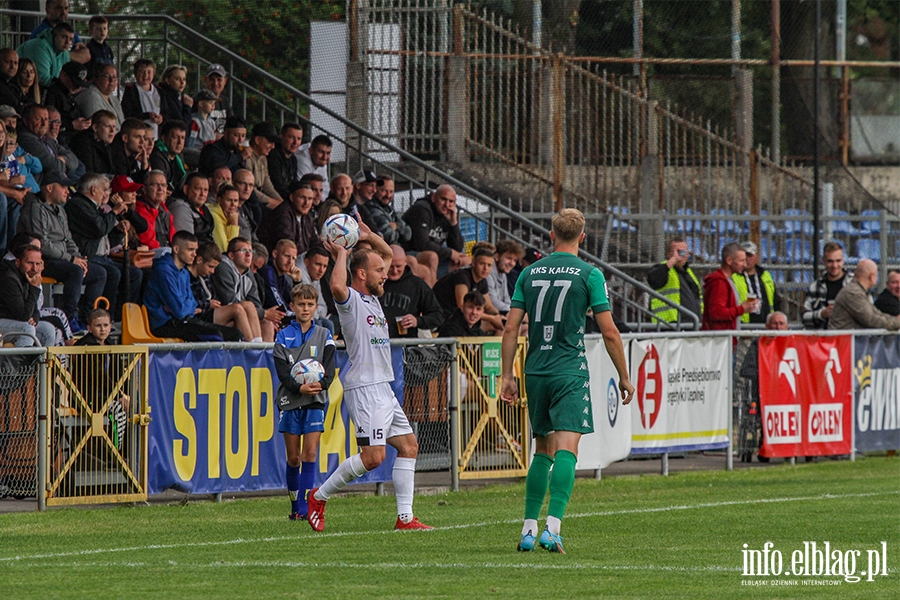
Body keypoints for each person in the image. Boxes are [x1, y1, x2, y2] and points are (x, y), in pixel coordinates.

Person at [499, 208, 634, 554]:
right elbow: (609, 332)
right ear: (583, 237)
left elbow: (511, 327)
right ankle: (553, 529)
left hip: (536, 370)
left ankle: (528, 530)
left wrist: (507, 375)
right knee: (567, 449)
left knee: (540, 449)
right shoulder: (589, 274)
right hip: (568, 370)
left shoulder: (528, 273)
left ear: (551, 235)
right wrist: (624, 376)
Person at [306, 220, 433, 533]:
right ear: (361, 274)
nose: (385, 274)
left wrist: (367, 236)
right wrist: (340, 253)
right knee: (373, 457)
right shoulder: (350, 301)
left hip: (383, 389)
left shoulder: (374, 298)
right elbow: (336, 287)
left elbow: (387, 253)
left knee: (408, 446)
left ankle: (405, 519)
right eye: (378, 271)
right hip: (365, 388)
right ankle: (318, 497)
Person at [273, 283, 336, 521]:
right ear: (292, 306)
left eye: (310, 304)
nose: (306, 308)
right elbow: (281, 371)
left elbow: (329, 371)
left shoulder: (324, 335)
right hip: (290, 399)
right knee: (293, 457)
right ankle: (294, 505)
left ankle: (306, 508)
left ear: (316, 307)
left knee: (310, 453)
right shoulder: (283, 336)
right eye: (301, 304)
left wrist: (320, 386)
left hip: (315, 400)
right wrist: (299, 386)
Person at [19, 170, 106, 330]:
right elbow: (41, 244)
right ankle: (69, 319)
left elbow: (69, 240)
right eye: (64, 187)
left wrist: (80, 259)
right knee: (75, 271)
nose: (68, 191)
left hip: (63, 259)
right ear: (49, 188)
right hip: (43, 260)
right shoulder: (35, 208)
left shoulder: (61, 211)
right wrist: (72, 260)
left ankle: (88, 318)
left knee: (100, 273)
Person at [65, 172, 141, 318]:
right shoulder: (78, 204)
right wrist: (115, 212)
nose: (107, 193)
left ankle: (122, 317)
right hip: (87, 256)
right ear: (94, 190)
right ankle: (97, 317)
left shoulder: (94, 207)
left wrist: (118, 230)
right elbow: (98, 229)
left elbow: (105, 240)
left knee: (134, 274)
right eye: (105, 189)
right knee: (111, 273)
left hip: (101, 257)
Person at [144, 230, 243, 342]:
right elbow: (180, 311)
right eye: (190, 250)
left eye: (195, 250)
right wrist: (186, 306)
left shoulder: (184, 272)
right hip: (164, 324)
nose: (194, 254)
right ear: (176, 249)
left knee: (236, 334)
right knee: (215, 336)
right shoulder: (163, 271)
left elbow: (192, 303)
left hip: (183, 320)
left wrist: (185, 306)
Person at [187, 241, 261, 342]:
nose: (212, 271)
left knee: (250, 306)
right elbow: (189, 303)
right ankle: (252, 351)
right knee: (237, 309)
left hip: (210, 312)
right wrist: (207, 304)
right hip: (199, 316)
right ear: (199, 260)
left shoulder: (205, 276)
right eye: (211, 267)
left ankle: (259, 347)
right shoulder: (186, 276)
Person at [212, 236, 280, 342]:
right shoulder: (223, 267)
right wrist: (265, 314)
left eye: (250, 251)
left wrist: (265, 316)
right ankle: (253, 352)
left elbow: (256, 303)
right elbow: (229, 302)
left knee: (267, 325)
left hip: (240, 315)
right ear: (231, 255)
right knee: (246, 307)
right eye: (243, 250)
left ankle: (264, 356)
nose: (248, 255)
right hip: (222, 315)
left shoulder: (249, 274)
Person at [432, 244, 505, 333]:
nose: (485, 268)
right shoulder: (462, 276)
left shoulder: (482, 281)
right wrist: (491, 318)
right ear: (473, 262)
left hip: (461, 320)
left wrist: (498, 316)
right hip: (444, 318)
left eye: (489, 265)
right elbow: (462, 307)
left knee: (502, 326)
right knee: (496, 326)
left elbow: (489, 306)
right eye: (482, 264)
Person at [401, 184, 470, 278]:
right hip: (409, 252)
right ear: (433, 197)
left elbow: (457, 248)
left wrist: (453, 223)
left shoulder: (448, 214)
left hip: (434, 257)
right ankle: (431, 291)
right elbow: (422, 244)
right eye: (443, 199)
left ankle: (444, 290)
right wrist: (450, 253)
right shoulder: (422, 208)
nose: (447, 205)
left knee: (465, 261)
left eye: (451, 201)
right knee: (432, 257)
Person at [0, 243, 56, 347]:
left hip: (16, 320)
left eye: (38, 264)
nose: (34, 268)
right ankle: (20, 363)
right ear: (18, 262)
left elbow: (34, 309)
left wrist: (34, 318)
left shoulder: (27, 276)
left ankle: (42, 363)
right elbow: (23, 315)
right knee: (27, 329)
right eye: (30, 263)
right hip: (3, 321)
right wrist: (34, 288)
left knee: (48, 329)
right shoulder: (8, 278)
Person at [381, 245, 443, 338]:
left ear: (406, 262)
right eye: (390, 266)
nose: (394, 271)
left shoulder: (417, 285)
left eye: (398, 266)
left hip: (406, 344)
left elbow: (438, 316)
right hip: (377, 343)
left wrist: (417, 321)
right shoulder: (376, 282)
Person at [17, 103, 81, 186]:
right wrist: (65, 165)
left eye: (46, 119)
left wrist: (63, 159)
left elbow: (74, 160)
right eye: (39, 119)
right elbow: (54, 166)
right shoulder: (26, 139)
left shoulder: (46, 138)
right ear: (26, 121)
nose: (44, 124)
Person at [701, 242, 759, 331]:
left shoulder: (727, 280)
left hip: (726, 338)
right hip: (720, 340)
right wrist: (741, 309)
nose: (745, 264)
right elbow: (716, 313)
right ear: (729, 261)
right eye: (741, 261)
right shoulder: (719, 282)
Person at [828, 260, 900, 331]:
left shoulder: (859, 291)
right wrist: (896, 322)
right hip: (842, 341)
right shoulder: (853, 293)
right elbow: (871, 320)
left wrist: (896, 320)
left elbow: (876, 313)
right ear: (871, 277)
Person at [647, 236, 703, 324]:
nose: (681, 255)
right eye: (677, 252)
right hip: (669, 323)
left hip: (693, 323)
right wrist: (672, 260)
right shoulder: (663, 268)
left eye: (683, 252)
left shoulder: (689, 273)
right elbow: (654, 280)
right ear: (669, 254)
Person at [258, 180, 322, 256]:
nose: (306, 203)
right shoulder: (283, 213)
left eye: (310, 199)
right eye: (302, 197)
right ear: (291, 197)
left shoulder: (306, 216)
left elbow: (315, 242)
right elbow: (288, 245)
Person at [17, 22, 89, 87]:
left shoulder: (63, 52)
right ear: (54, 36)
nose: (67, 42)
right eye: (64, 37)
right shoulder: (40, 47)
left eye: (70, 39)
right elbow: (43, 80)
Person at [802, 241, 853, 329]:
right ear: (823, 261)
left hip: (849, 339)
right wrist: (822, 314)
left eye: (838, 261)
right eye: (830, 261)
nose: (835, 265)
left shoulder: (854, 283)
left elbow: (867, 313)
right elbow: (804, 317)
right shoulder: (815, 287)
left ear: (843, 260)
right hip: (823, 339)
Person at [42, 60, 91, 145]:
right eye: (74, 83)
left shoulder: (68, 94)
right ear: (63, 75)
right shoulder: (53, 92)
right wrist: (71, 125)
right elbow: (48, 120)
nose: (77, 87)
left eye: (80, 85)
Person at [732, 241, 781, 325]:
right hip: (744, 324)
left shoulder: (765, 275)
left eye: (750, 255)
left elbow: (775, 298)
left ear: (756, 257)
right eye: (744, 256)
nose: (747, 259)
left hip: (766, 324)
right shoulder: (734, 276)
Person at [121, 58, 163, 138]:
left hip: (157, 134)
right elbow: (128, 113)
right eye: (141, 72)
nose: (145, 75)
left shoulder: (159, 91)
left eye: (149, 72)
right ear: (135, 74)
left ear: (153, 74)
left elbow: (166, 111)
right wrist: (147, 116)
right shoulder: (131, 91)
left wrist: (161, 118)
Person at [245, 121, 283, 208]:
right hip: (250, 202)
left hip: (261, 200)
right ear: (257, 140)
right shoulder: (247, 157)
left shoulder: (263, 158)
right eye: (270, 142)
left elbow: (267, 186)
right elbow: (250, 189)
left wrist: (282, 203)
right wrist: (272, 202)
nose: (273, 146)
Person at [167, 171, 212, 242]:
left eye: (205, 190)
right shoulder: (180, 208)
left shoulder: (205, 209)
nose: (202, 194)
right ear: (186, 189)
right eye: (198, 189)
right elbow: (187, 244)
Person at [74, 63, 124, 127]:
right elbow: (100, 127)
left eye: (114, 77)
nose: (111, 81)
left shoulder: (114, 98)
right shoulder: (91, 96)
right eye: (107, 76)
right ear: (96, 79)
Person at [134, 170, 174, 250]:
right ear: (144, 189)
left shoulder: (164, 210)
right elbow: (149, 243)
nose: (160, 188)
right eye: (155, 185)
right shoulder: (140, 210)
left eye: (163, 185)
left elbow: (173, 237)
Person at [69, 108, 116, 175]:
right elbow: (88, 174)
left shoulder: (107, 145)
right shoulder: (82, 143)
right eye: (107, 126)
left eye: (114, 127)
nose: (112, 131)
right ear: (95, 127)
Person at [193, 63, 232, 136]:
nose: (215, 83)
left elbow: (232, 123)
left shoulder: (225, 101)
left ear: (225, 81)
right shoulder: (198, 99)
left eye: (219, 79)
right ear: (205, 80)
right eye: (212, 79)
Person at [487, 240, 524, 315]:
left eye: (515, 260)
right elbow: (492, 301)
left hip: (501, 312)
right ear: (497, 257)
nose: (512, 263)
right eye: (509, 258)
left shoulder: (503, 274)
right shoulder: (488, 271)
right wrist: (515, 312)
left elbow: (506, 299)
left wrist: (514, 311)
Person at [268, 123, 302, 199]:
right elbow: (277, 185)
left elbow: (293, 183)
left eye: (299, 139)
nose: (295, 143)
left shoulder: (293, 159)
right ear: (281, 136)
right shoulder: (273, 155)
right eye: (291, 137)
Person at [149, 119, 187, 189]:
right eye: (175, 137)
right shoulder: (157, 156)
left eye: (182, 138)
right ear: (164, 138)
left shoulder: (179, 156)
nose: (179, 142)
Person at [184, 89, 218, 166]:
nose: (213, 106)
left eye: (214, 103)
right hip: (198, 154)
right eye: (210, 103)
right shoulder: (195, 121)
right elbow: (191, 142)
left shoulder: (212, 122)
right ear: (201, 104)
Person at [208, 182, 242, 253]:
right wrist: (234, 225)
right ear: (219, 200)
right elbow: (225, 250)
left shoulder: (230, 216)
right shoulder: (214, 216)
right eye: (229, 200)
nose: (233, 204)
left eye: (235, 201)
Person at [295, 134, 332, 199]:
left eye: (328, 153)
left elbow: (325, 189)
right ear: (311, 150)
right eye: (321, 152)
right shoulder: (303, 160)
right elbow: (304, 189)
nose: (325, 157)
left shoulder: (321, 162)